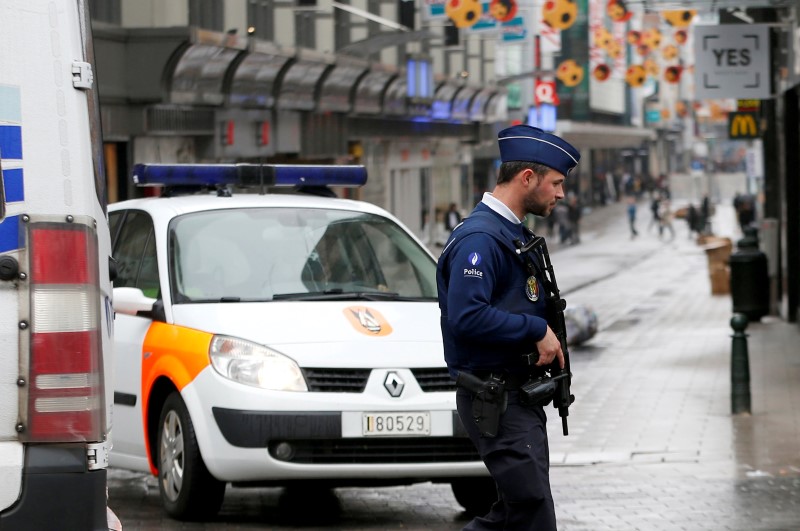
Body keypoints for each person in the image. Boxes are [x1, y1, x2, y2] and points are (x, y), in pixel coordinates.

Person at [436, 124, 579, 531]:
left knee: (520, 512)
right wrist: (534, 330)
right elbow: (467, 316)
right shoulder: (479, 241)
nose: (561, 194)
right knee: (532, 511)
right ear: (527, 178)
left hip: (518, 397)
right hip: (496, 397)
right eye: (556, 183)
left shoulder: (509, 233)